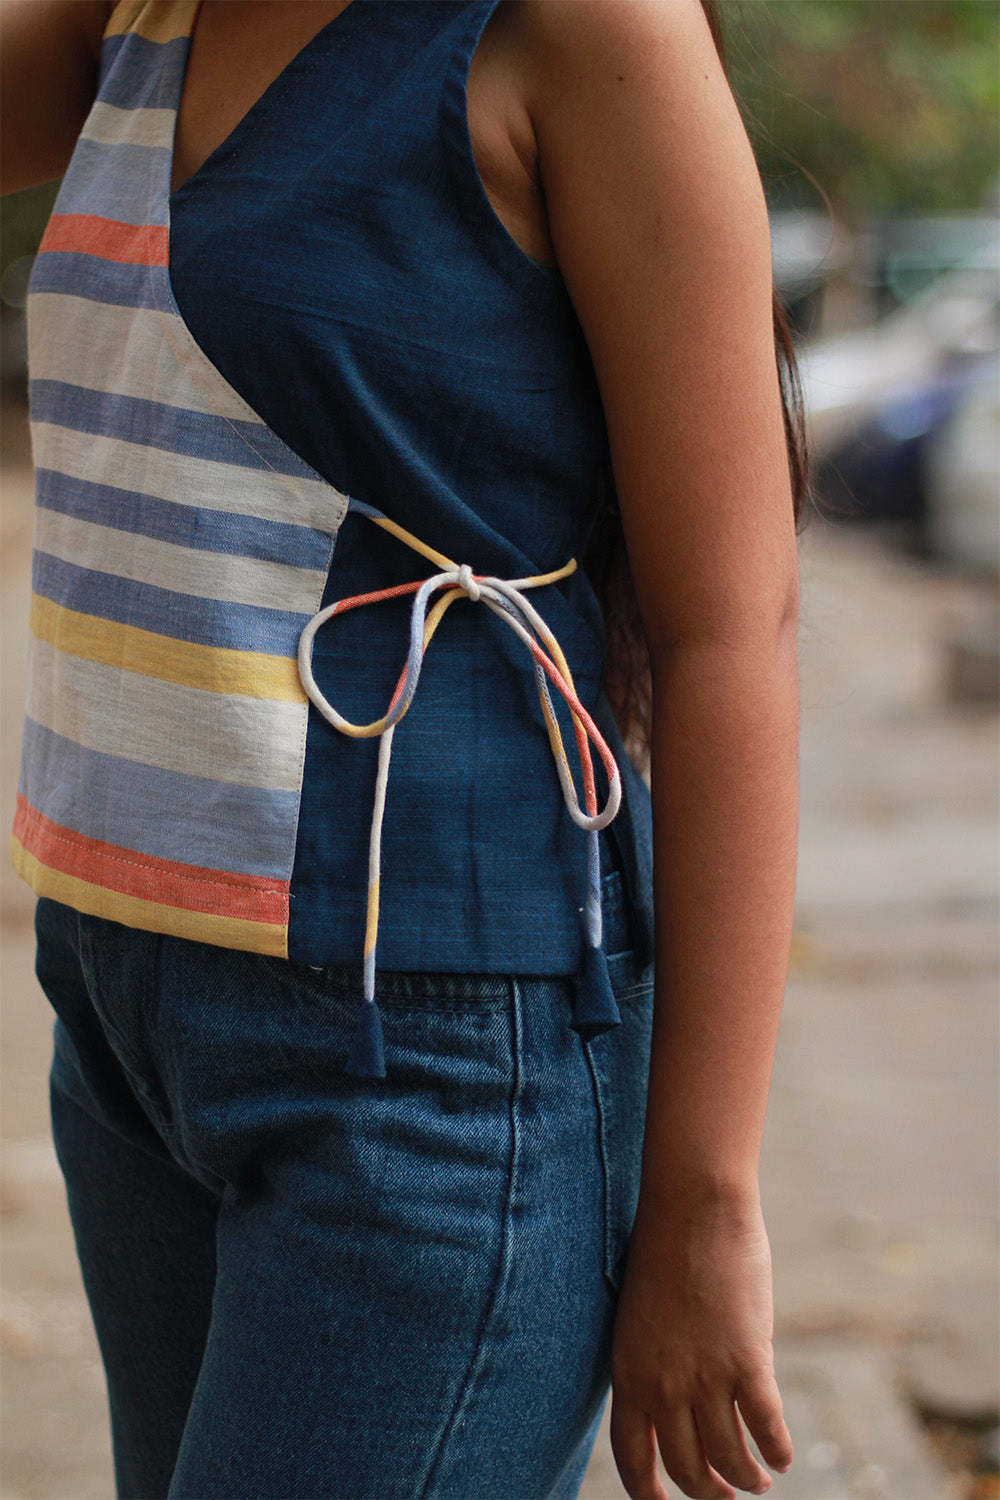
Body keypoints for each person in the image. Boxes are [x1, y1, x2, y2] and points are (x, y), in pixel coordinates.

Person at [1, 1, 803, 1496]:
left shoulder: (574, 29)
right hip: (122, 1013)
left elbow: (731, 636)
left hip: (427, 1068)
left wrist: (705, 1199)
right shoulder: (134, 21)